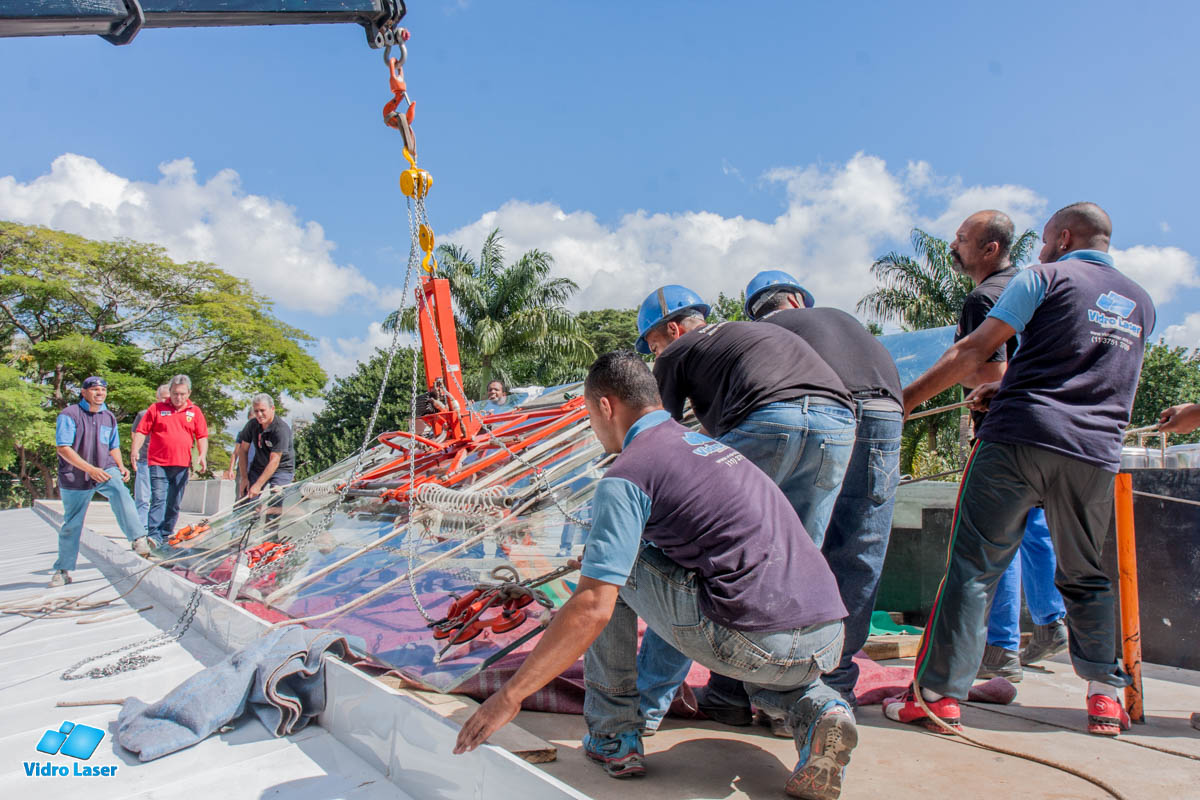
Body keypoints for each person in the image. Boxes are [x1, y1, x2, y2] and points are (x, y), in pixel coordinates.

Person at [454, 351, 856, 800]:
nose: (593, 426)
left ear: (606, 406)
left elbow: (592, 607)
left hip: (749, 641)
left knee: (609, 576)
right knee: (780, 666)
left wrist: (509, 696)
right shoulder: (711, 448)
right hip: (826, 637)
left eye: (591, 415)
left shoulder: (629, 473)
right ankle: (825, 714)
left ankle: (613, 737)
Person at [886, 203, 1154, 738]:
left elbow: (976, 349)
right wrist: (1006, 384)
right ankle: (1105, 698)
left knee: (974, 569)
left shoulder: (1044, 277)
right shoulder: (1141, 302)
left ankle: (938, 697)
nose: (1039, 248)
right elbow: (1091, 374)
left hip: (1018, 440)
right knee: (1087, 574)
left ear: (1063, 235)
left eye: (1046, 239)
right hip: (1094, 452)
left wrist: (906, 400)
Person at [632, 284, 856, 733]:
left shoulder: (678, 353)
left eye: (655, 346)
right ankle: (794, 710)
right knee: (793, 565)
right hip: (839, 423)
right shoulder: (745, 336)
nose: (657, 356)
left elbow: (657, 439)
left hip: (767, 421)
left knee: (688, 556)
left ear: (673, 329)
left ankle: (644, 710)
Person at [741, 269, 904, 710]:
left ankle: (782, 681)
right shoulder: (844, 321)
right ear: (796, 299)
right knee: (861, 551)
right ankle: (837, 681)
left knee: (793, 549)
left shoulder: (768, 334)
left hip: (827, 416)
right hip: (887, 415)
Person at [948, 210, 1069, 682]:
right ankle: (1049, 621)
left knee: (996, 536)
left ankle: (999, 647)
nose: (954, 247)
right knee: (1034, 530)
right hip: (1050, 432)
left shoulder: (985, 298)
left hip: (1004, 432)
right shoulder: (1038, 287)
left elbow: (989, 375)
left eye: (961, 239)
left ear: (989, 248)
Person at [51, 376, 153, 586]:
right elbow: (63, 448)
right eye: (95, 389)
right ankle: (63, 570)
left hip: (104, 468)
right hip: (76, 475)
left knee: (120, 491)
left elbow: (113, 446)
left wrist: (121, 465)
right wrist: (89, 469)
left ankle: (137, 539)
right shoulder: (69, 415)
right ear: (84, 392)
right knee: (72, 523)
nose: (100, 393)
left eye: (103, 390)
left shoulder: (109, 417)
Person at [132, 374, 209, 547]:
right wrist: (135, 450)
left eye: (182, 394)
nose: (178, 397)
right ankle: (154, 535)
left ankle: (166, 534)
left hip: (181, 465)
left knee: (173, 502)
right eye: (175, 393)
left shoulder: (195, 412)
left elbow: (202, 435)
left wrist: (202, 455)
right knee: (159, 498)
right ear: (170, 392)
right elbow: (142, 431)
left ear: (189, 393)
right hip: (158, 463)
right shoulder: (156, 408)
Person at [234, 394, 296, 499]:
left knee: (276, 498)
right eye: (256, 411)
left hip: (281, 468)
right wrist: (244, 478)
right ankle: (253, 514)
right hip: (259, 465)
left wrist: (258, 485)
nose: (259, 414)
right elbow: (243, 450)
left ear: (272, 409)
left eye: (262, 410)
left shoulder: (280, 429)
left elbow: (275, 460)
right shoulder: (252, 425)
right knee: (247, 497)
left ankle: (273, 514)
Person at [130, 384, 170, 530]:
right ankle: (141, 528)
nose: (167, 401)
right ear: (157, 397)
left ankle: (157, 528)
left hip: (165, 462)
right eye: (164, 398)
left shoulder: (173, 416)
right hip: (145, 459)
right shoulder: (144, 414)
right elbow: (135, 434)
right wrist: (135, 452)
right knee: (143, 497)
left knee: (161, 498)